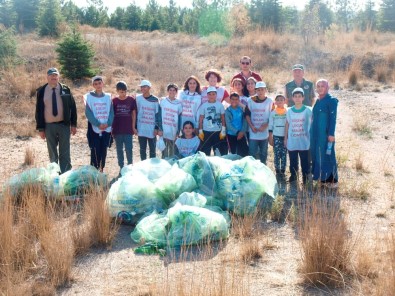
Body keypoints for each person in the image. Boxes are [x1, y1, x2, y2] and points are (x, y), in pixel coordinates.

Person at [35, 67, 77, 173]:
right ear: (47, 77)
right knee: (52, 153)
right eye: (51, 75)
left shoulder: (66, 89)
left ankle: (66, 174)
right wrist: (41, 128)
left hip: (64, 125)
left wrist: (74, 124)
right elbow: (38, 111)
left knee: (65, 152)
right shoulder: (41, 91)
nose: (53, 77)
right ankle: (55, 175)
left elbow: (73, 107)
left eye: (55, 75)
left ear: (58, 77)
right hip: (49, 126)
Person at [310, 79, 339, 188]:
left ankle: (332, 181)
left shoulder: (332, 101)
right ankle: (321, 178)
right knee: (317, 153)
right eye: (318, 86)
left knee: (327, 154)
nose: (320, 88)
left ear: (327, 87)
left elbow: (333, 118)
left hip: (325, 134)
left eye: (323, 86)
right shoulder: (318, 101)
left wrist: (331, 134)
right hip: (315, 134)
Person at [84, 76, 114, 172]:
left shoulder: (108, 97)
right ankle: (93, 172)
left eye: (99, 83)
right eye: (95, 84)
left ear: (102, 84)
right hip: (94, 129)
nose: (98, 85)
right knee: (95, 151)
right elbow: (88, 113)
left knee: (103, 151)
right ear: (93, 85)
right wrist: (97, 124)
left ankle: (101, 170)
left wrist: (108, 123)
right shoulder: (89, 97)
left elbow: (111, 112)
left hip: (106, 128)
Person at [284, 87, 312, 184]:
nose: (297, 98)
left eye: (299, 96)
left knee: (305, 160)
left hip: (304, 140)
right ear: (292, 98)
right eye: (295, 96)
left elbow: (312, 124)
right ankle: (294, 176)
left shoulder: (308, 110)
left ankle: (305, 177)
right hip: (292, 139)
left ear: (303, 98)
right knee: (293, 160)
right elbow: (287, 124)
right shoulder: (289, 111)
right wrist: (285, 138)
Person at [245, 81, 273, 164]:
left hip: (264, 132)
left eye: (262, 89)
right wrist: (251, 126)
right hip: (254, 131)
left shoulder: (270, 101)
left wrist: (266, 125)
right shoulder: (250, 100)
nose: (260, 92)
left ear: (265, 90)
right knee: (252, 153)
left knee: (263, 153)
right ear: (255, 90)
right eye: (258, 90)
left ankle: (263, 168)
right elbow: (247, 114)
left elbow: (273, 115)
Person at [112, 81, 137, 171]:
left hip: (128, 129)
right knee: (119, 149)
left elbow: (134, 114)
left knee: (129, 149)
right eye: (121, 92)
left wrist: (133, 127)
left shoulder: (131, 100)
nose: (123, 93)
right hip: (117, 130)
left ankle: (130, 166)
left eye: (124, 91)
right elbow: (111, 115)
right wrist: (111, 128)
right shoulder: (114, 101)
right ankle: (121, 167)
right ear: (117, 91)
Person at [135, 80, 162, 160]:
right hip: (141, 128)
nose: (143, 88)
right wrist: (135, 127)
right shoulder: (138, 98)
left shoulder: (155, 100)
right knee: (142, 150)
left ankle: (152, 167)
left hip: (151, 129)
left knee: (152, 150)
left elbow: (158, 115)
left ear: (149, 88)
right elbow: (135, 113)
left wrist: (156, 128)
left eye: (144, 86)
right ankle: (143, 166)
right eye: (141, 87)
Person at [198, 86, 227, 156]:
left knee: (218, 153)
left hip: (217, 132)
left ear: (216, 95)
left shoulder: (220, 105)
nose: (211, 96)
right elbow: (201, 118)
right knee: (205, 153)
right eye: (210, 94)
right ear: (207, 95)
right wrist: (200, 130)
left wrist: (223, 129)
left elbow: (223, 118)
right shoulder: (204, 106)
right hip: (206, 131)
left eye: (213, 94)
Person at [269, 94, 288, 180]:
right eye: (278, 100)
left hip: (285, 137)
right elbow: (270, 125)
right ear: (275, 102)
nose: (280, 101)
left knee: (284, 154)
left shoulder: (287, 112)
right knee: (277, 154)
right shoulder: (273, 113)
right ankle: (277, 170)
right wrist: (270, 137)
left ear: (285, 101)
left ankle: (283, 171)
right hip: (276, 136)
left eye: (282, 100)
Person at [161, 83, 182, 158]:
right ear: (167, 91)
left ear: (176, 92)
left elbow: (179, 118)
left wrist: (178, 131)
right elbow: (160, 115)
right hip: (164, 129)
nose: (172, 92)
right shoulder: (163, 101)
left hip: (173, 129)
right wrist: (159, 128)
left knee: (172, 151)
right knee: (164, 151)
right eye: (170, 90)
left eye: (174, 90)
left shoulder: (179, 103)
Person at [225, 92, 248, 157]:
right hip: (231, 135)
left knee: (244, 153)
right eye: (232, 99)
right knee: (233, 153)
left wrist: (242, 131)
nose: (234, 101)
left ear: (239, 100)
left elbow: (244, 121)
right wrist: (237, 132)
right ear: (230, 100)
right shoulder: (227, 111)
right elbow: (228, 124)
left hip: (241, 134)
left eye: (236, 99)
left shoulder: (241, 109)